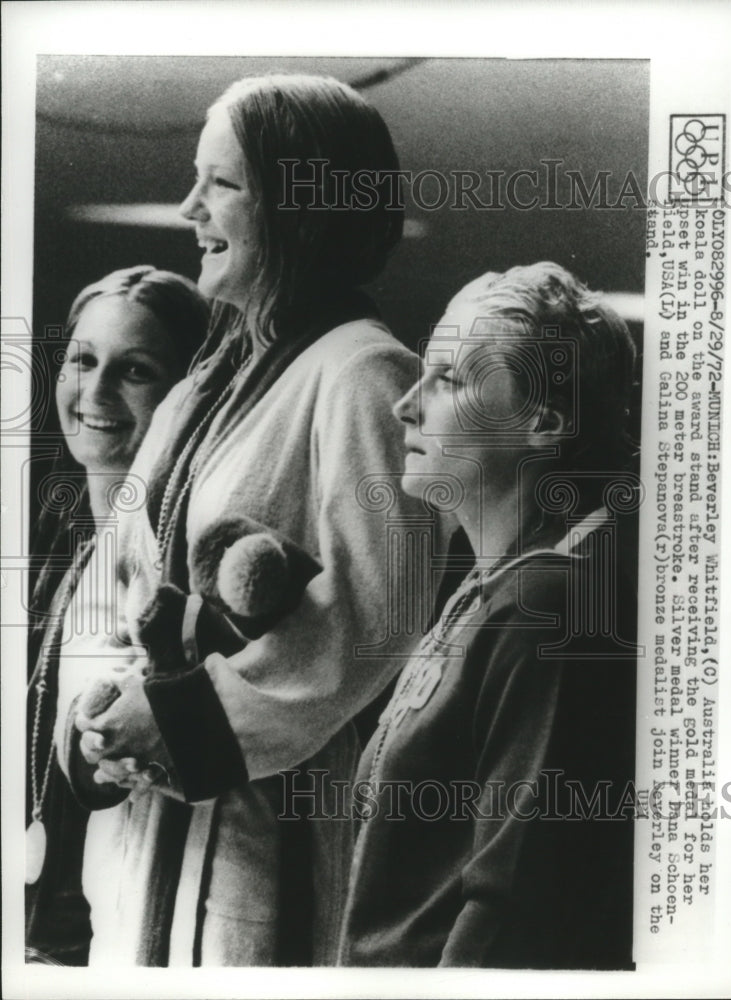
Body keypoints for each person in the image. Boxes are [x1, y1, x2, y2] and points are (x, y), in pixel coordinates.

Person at [55, 74, 442, 966]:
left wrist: (180, 722)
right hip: (143, 837)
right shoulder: (201, 386)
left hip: (269, 838)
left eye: (221, 184)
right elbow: (119, 586)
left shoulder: (366, 376)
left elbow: (369, 626)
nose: (190, 206)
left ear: (302, 203)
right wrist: (103, 715)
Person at [337, 262, 640, 969]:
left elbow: (514, 909)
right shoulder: (506, 579)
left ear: (543, 421)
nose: (404, 405)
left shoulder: (551, 605)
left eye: (450, 379)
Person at [26, 265, 209, 964]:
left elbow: (114, 761)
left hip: (113, 932)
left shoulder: (178, 562)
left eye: (134, 370)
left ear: (184, 397)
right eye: (82, 360)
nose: (95, 392)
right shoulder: (62, 535)